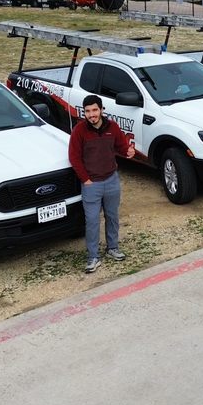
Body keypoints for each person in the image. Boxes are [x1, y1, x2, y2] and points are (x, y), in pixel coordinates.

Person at [69, 94, 136, 273]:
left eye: (95, 110)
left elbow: (121, 146)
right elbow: (74, 158)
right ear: (84, 112)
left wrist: (129, 151)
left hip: (111, 180)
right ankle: (93, 257)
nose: (91, 115)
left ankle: (112, 248)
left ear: (101, 110)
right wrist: (86, 180)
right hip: (92, 184)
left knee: (112, 217)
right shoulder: (79, 131)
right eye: (88, 111)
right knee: (92, 221)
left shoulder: (112, 127)